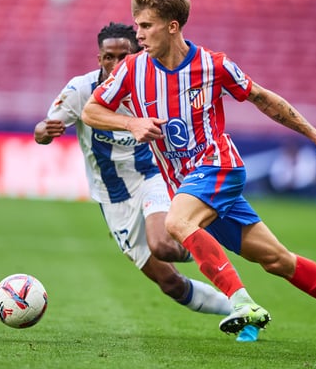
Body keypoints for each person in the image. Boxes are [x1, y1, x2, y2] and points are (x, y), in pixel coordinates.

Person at [82, 0, 316, 356]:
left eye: (146, 26)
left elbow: (263, 99)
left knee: (177, 222)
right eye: (138, 26)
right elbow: (91, 111)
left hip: (219, 165)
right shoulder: (133, 69)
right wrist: (130, 123)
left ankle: (241, 302)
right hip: (188, 184)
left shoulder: (213, 65)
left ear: (173, 26)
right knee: (277, 260)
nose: (139, 34)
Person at [34, 22, 259, 342]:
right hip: (112, 196)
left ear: (136, 54)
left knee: (162, 244)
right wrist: (45, 131)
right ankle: (241, 310)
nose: (115, 64)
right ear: (99, 58)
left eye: (122, 56)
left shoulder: (149, 84)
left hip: (153, 177)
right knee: (170, 284)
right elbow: (42, 130)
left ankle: (203, 243)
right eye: (108, 57)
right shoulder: (80, 91)